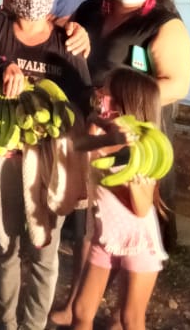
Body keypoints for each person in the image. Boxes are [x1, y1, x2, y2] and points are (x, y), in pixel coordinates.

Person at [51, 0, 190, 327]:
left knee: (133, 217)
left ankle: (123, 311)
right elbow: (66, 38)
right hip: (90, 127)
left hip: (133, 134)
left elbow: (176, 83)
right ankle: (78, 301)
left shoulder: (162, 22)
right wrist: (67, 26)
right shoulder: (92, 9)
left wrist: (119, 104)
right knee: (93, 221)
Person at [0, 0, 91, 330]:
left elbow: (82, 95)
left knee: (44, 248)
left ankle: (33, 325)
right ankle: (7, 322)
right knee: (6, 247)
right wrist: (2, 68)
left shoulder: (66, 39)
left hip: (51, 156)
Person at [71, 69, 169, 330]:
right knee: (81, 310)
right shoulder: (101, 132)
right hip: (105, 236)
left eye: (106, 91)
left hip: (138, 241)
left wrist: (133, 181)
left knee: (130, 318)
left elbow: (141, 209)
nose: (99, 93)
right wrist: (101, 127)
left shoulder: (143, 152)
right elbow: (79, 146)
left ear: (124, 102)